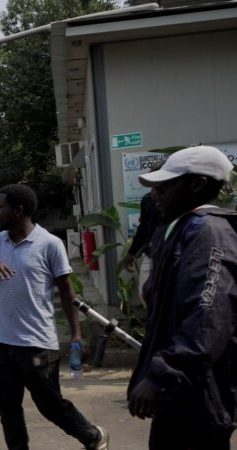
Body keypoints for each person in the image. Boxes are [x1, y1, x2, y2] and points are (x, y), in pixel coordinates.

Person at [0, 184, 108, 450]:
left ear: (18, 210)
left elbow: (67, 290)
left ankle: (92, 436)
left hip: (37, 344)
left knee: (51, 406)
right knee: (7, 409)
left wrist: (76, 335)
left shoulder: (49, 244)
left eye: (1, 207)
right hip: (1, 343)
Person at [127, 145, 237, 450]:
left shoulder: (208, 232)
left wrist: (164, 374)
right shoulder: (179, 228)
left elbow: (207, 317)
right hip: (180, 391)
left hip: (199, 392)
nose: (155, 194)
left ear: (198, 185)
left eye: (165, 185)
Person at [124, 160, 165, 307]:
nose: (154, 193)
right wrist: (131, 252)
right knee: (145, 293)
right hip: (151, 253)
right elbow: (143, 228)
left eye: (158, 186)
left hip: (171, 255)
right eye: (152, 187)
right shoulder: (147, 200)